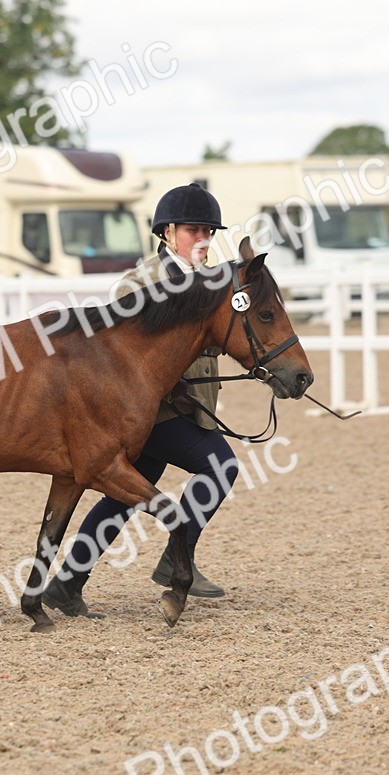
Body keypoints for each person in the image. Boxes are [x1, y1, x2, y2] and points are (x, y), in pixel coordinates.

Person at [41, 182, 240, 619]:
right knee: (221, 465)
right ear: (168, 232)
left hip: (185, 407)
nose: (205, 240)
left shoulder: (209, 282)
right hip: (153, 413)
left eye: (210, 231)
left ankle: (67, 583)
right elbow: (131, 354)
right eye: (195, 230)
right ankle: (176, 557)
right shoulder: (141, 282)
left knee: (121, 498)